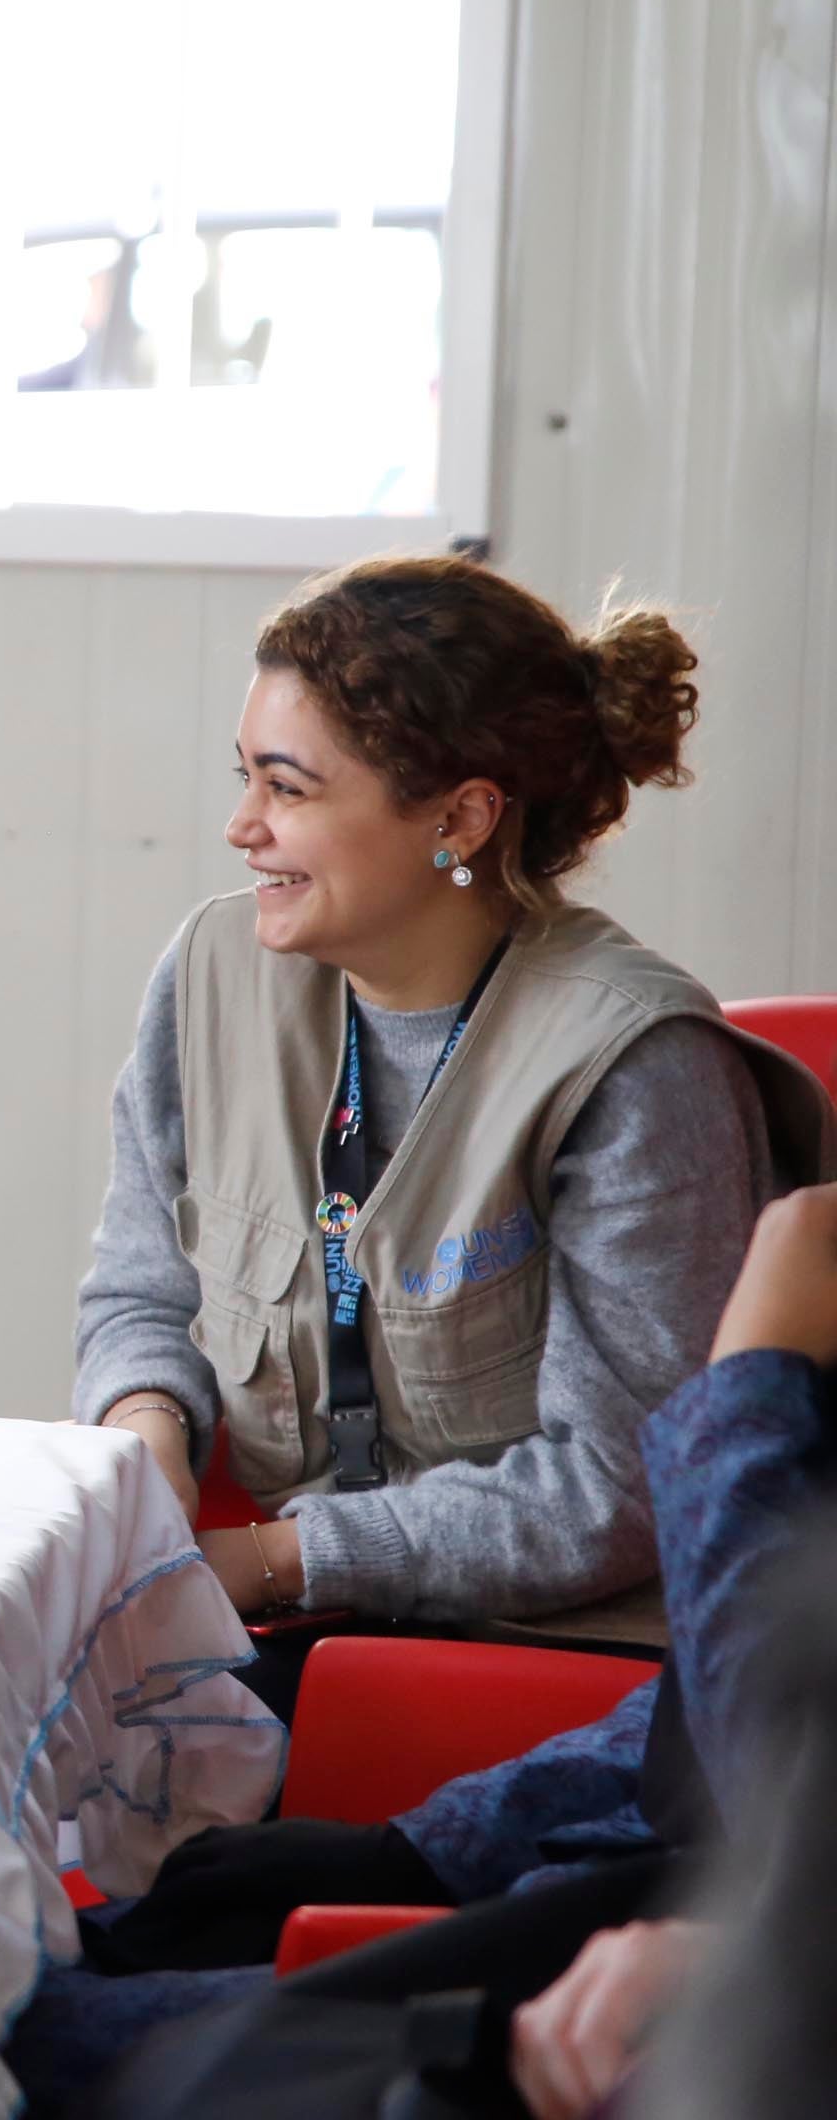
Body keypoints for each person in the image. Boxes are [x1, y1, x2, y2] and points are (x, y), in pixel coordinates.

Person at [73, 556, 829, 1636]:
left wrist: (271, 1561)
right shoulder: (210, 976)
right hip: (298, 1614)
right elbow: (141, 1293)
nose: (242, 826)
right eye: (243, 776)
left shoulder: (641, 1068)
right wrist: (146, 1442)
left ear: (462, 818)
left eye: (287, 788)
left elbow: (615, 1492)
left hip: (555, 1660)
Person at [12, 1182, 837, 2118]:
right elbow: (687, 1717)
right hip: (611, 1879)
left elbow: (770, 1755)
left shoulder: (632, 1069)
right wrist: (424, 1848)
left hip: (694, 1992)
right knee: (35, 1972)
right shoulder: (208, 1032)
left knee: (14, 2041)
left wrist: (749, 1379)